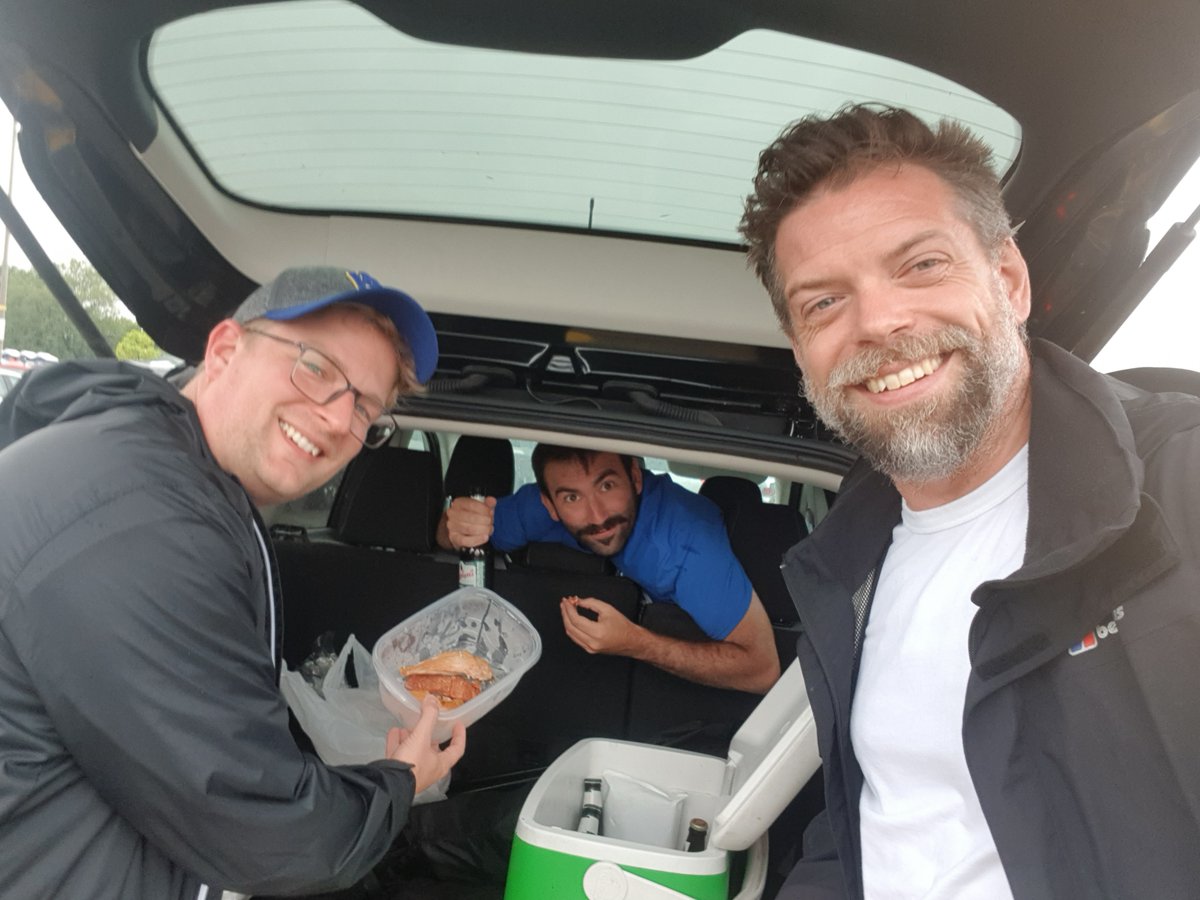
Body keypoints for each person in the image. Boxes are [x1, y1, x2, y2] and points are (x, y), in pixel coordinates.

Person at [739, 104, 1200, 899]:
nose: (879, 322)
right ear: (802, 351)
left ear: (1010, 281)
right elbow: (883, 821)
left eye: (920, 265)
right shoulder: (845, 562)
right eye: (823, 303)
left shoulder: (1177, 484)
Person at [0, 266, 467, 899]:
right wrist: (401, 779)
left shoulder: (182, 482)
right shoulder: (138, 515)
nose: (337, 420)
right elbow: (268, 832)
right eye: (317, 368)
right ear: (223, 350)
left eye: (365, 408)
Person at [437, 444, 780, 694]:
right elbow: (446, 534)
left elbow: (763, 669)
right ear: (550, 505)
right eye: (572, 498)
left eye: (607, 486)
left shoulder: (688, 544)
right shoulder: (537, 511)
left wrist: (636, 643)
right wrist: (458, 523)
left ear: (635, 477)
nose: (598, 515)